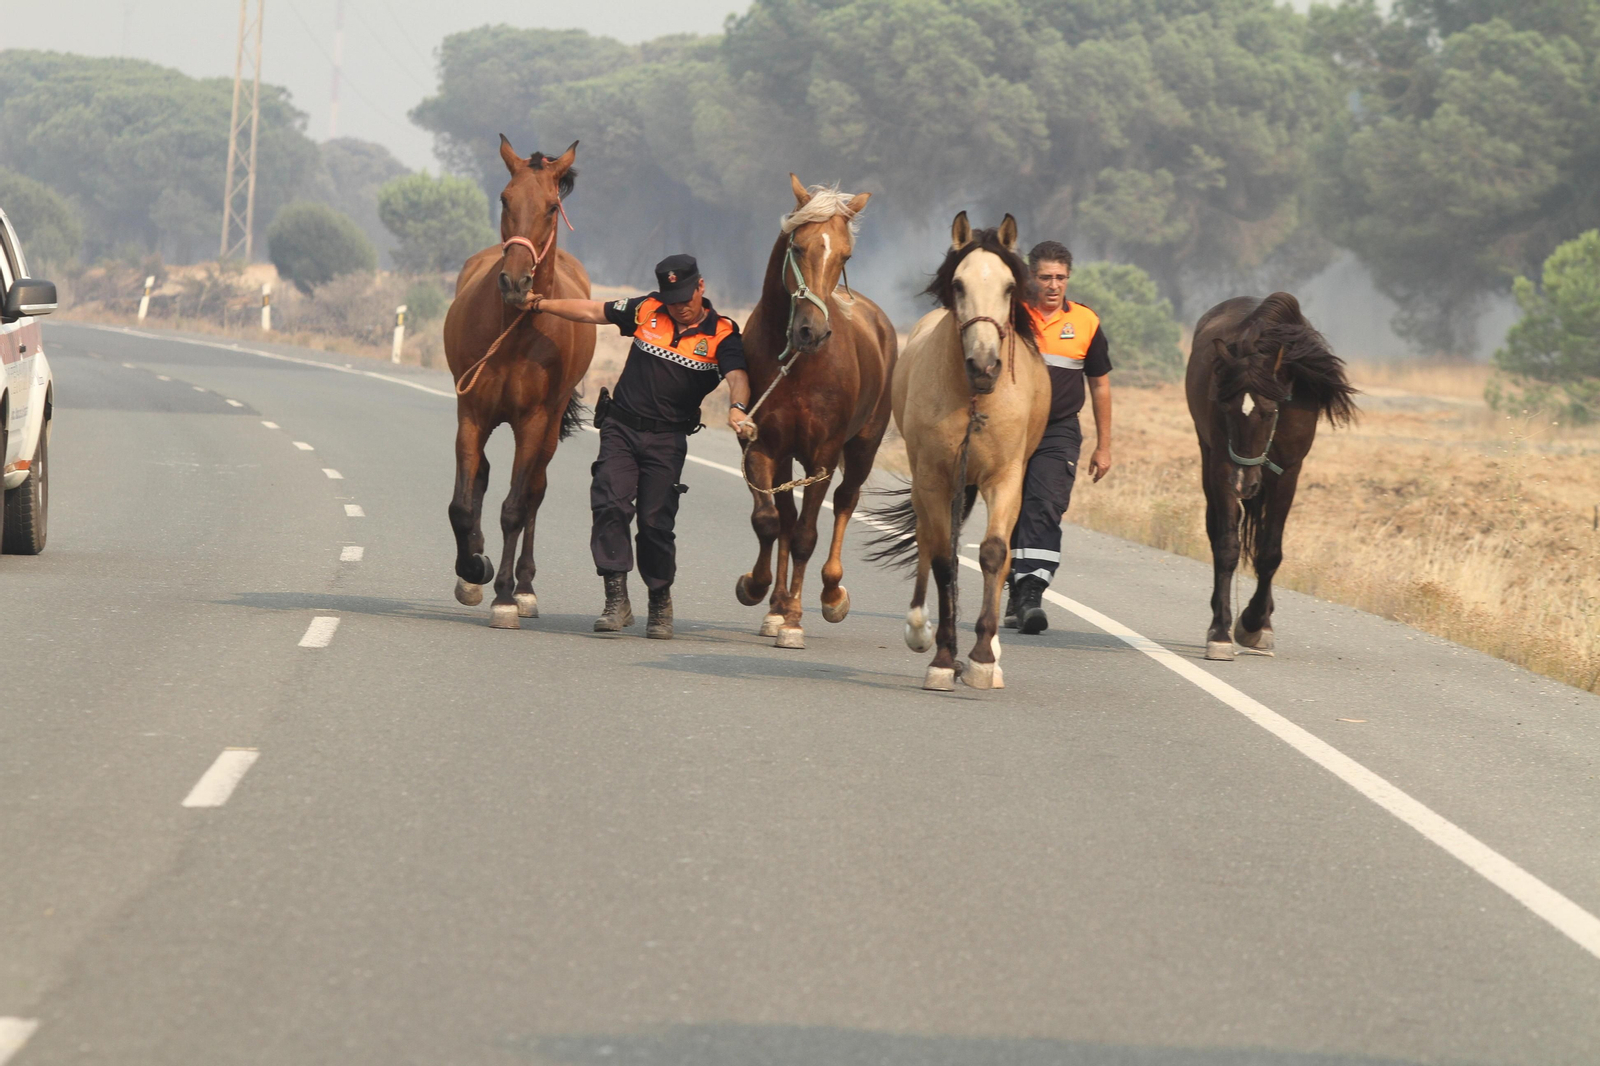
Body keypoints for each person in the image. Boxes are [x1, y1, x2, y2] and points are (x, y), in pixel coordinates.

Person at [532, 254, 754, 639]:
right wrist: (540, 303)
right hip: (620, 426)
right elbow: (591, 311)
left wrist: (737, 408)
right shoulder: (648, 309)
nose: (679, 307)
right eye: (673, 299)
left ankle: (659, 600)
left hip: (667, 439)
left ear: (701, 288)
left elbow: (737, 375)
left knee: (655, 523)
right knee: (609, 505)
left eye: (686, 298)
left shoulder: (722, 333)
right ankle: (616, 599)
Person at [1006, 241, 1113, 634]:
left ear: (1069, 278)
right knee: (1012, 508)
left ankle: (1031, 593)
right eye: (1045, 277)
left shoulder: (1085, 322)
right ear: (1031, 278)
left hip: (1059, 429)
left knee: (1046, 505)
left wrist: (1104, 446)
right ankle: (1015, 589)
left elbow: (1100, 387)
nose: (1053, 286)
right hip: (1010, 427)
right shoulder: (1012, 313)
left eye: (1060, 278)